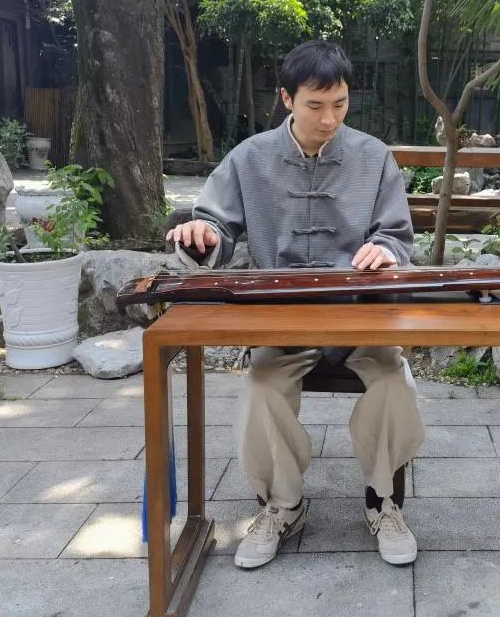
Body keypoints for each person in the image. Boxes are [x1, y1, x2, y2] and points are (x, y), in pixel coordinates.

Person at [166, 40, 424, 569]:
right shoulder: (249, 158)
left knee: (393, 381)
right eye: (315, 105)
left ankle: (382, 499)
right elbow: (215, 226)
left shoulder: (373, 157)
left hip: (357, 314)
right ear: (287, 98)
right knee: (261, 387)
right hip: (279, 320)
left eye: (340, 104)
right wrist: (204, 235)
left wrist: (385, 249)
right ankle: (283, 504)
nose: (329, 119)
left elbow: (396, 235)